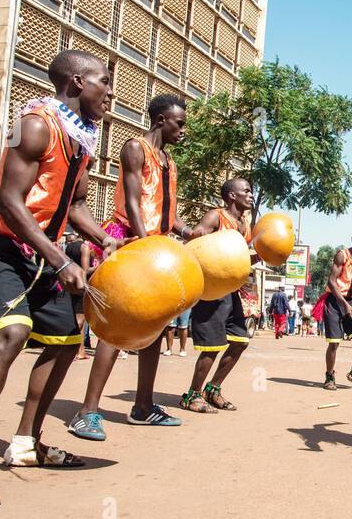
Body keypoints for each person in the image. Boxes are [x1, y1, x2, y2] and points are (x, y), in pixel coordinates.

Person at [0, 50, 121, 507]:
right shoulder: (35, 124)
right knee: (12, 332)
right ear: (77, 82)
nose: (111, 92)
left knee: (64, 339)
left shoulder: (81, 140)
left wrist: (104, 239)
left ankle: (25, 443)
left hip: (40, 256)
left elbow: (72, 206)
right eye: (104, 82)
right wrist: (62, 261)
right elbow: (9, 203)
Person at [66, 94, 193, 441]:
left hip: (157, 248)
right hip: (130, 242)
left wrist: (186, 231)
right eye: (179, 123)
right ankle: (87, 411)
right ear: (160, 120)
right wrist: (143, 243)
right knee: (116, 325)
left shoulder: (169, 161)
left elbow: (165, 211)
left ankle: (143, 406)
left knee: (153, 323)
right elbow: (135, 202)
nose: (184, 130)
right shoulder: (135, 148)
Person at [179, 178, 260, 413]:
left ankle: (212, 389)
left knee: (240, 342)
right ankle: (192, 394)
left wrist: (261, 253)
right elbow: (197, 239)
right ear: (232, 196)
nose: (251, 194)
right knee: (212, 346)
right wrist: (196, 233)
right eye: (246, 190)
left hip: (231, 292)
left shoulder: (244, 223)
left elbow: (239, 258)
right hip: (211, 291)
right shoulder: (216, 216)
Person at [314, 227, 352, 388]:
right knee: (334, 342)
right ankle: (329, 377)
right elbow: (332, 282)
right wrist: (343, 303)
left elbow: (350, 285)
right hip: (335, 302)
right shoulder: (342, 255)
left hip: (350, 302)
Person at [63, 230, 95, 361]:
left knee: (77, 317)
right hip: (81, 285)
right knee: (80, 320)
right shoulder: (84, 247)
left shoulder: (68, 247)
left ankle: (80, 351)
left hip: (70, 283)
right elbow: (85, 270)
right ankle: (73, 351)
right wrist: (102, 265)